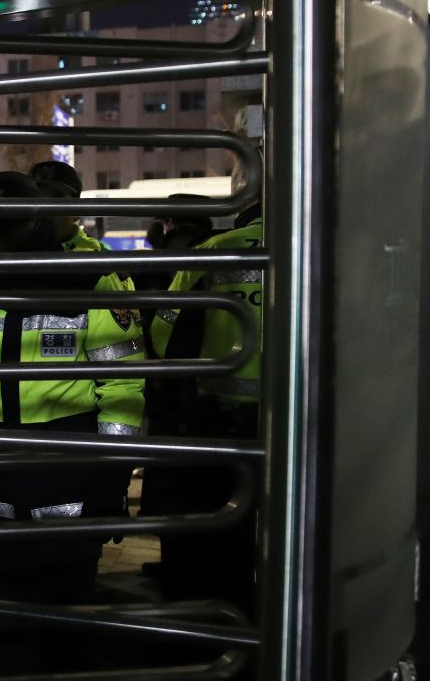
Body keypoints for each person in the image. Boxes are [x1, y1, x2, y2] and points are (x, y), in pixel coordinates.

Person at [0, 170, 145, 674]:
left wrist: (111, 479)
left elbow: (123, 387)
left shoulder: (93, 283)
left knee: (65, 629)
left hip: (69, 465)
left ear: (33, 224)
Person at [144, 171, 262, 614]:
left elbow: (164, 328)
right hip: (299, 412)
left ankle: (216, 607)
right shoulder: (317, 248)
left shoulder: (214, 255)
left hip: (219, 416)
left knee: (219, 523)